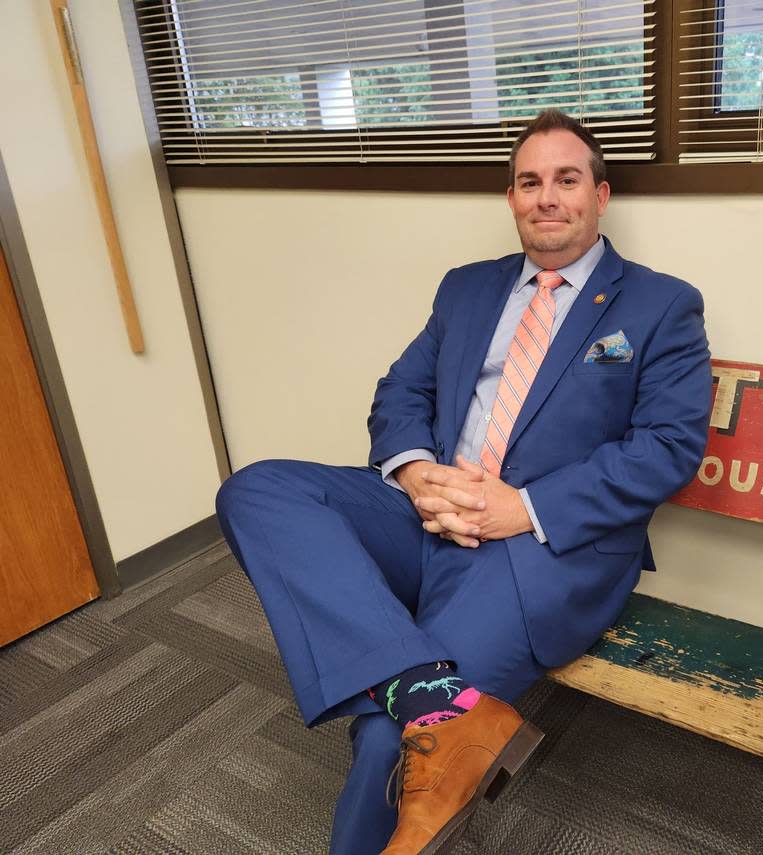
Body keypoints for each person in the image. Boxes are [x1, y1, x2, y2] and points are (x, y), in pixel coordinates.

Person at [215, 109, 712, 855]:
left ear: (600, 196)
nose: (547, 196)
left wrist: (525, 506)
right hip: (426, 513)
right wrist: (416, 475)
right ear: (511, 197)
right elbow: (401, 391)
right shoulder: (467, 290)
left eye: (566, 180)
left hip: (539, 549)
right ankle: (436, 693)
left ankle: (412, 722)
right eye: (529, 181)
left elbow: (668, 447)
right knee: (256, 489)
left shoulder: (661, 304)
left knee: (391, 735)